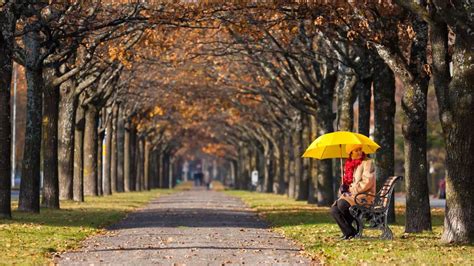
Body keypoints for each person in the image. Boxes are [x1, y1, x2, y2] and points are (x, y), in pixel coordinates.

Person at [331, 144, 376, 240]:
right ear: (350, 152)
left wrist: (351, 190)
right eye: (356, 150)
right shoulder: (348, 165)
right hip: (352, 196)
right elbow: (347, 183)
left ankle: (351, 232)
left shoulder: (368, 162)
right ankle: (350, 232)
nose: (360, 152)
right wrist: (343, 188)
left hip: (365, 196)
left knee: (342, 204)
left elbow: (367, 182)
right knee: (334, 209)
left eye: (360, 149)